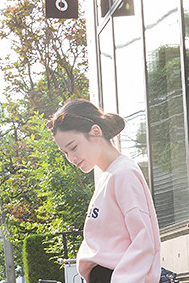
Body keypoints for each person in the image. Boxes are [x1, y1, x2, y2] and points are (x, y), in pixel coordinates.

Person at [48, 99, 163, 283]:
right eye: (65, 153)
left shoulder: (124, 173)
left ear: (95, 132)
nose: (71, 158)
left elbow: (144, 240)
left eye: (73, 147)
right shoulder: (108, 177)